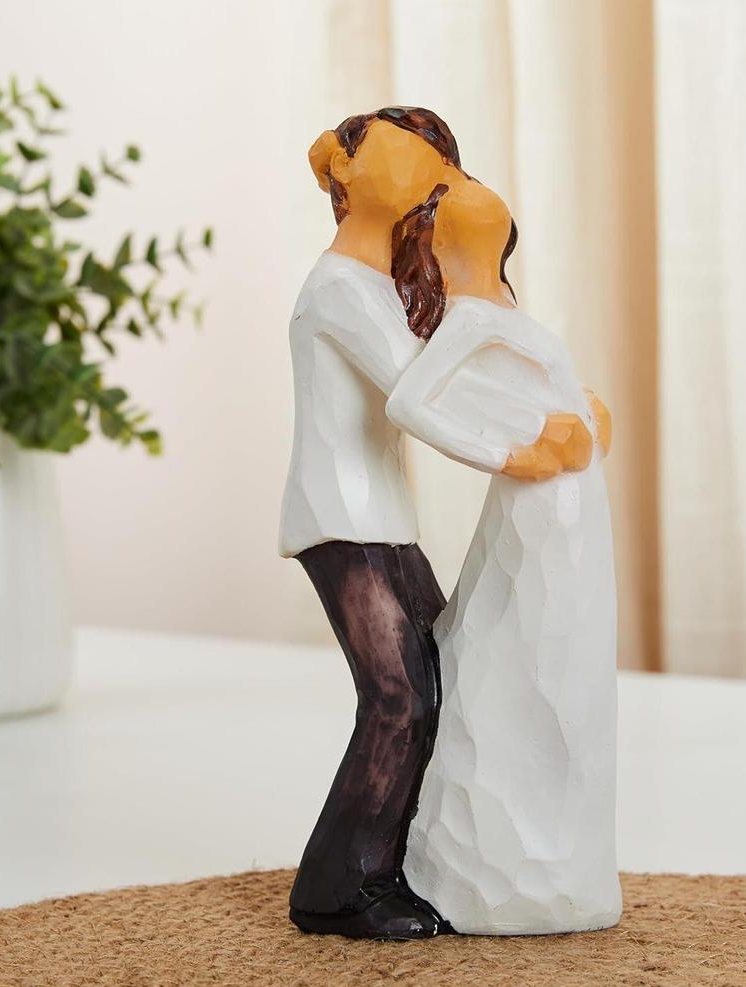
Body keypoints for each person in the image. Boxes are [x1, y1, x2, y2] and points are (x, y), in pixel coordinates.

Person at [386, 179, 621, 935]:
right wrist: (508, 453)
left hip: (574, 516)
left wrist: (588, 411)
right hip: (536, 513)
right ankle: (490, 871)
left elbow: (541, 391)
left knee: (568, 670)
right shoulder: (466, 323)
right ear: (441, 241)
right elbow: (409, 403)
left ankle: (565, 867)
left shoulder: (507, 315)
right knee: (522, 659)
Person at [279, 108, 468, 940]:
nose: (425, 171)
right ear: (348, 174)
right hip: (341, 517)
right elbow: (419, 391)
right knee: (398, 697)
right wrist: (523, 439)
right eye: (406, 154)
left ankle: (406, 865)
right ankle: (340, 887)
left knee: (440, 678)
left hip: (379, 515)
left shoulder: (371, 288)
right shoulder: (338, 290)